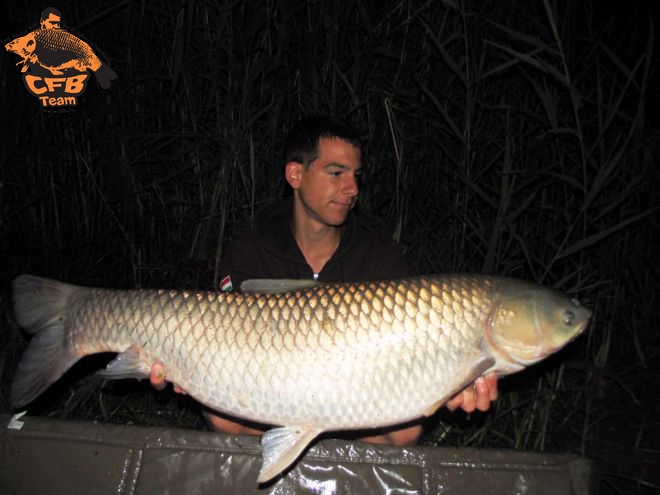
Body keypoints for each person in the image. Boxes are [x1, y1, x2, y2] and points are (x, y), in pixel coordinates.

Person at [151, 115, 498, 445]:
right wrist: (187, 366)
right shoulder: (250, 252)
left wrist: (450, 383)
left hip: (358, 392)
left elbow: (406, 359)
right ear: (295, 175)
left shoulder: (379, 256)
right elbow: (217, 336)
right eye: (336, 173)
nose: (352, 189)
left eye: (356, 175)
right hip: (268, 388)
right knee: (222, 416)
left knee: (405, 432)